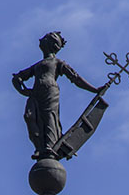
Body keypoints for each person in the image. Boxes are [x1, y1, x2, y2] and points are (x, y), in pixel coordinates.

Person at [12, 31, 104, 159]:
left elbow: (75, 78)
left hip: (50, 91)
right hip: (35, 92)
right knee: (29, 117)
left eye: (45, 38)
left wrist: (94, 89)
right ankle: (39, 147)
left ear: (51, 44)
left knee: (49, 117)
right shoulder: (38, 65)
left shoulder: (57, 62)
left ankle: (49, 146)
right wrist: (23, 90)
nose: (41, 39)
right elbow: (18, 78)